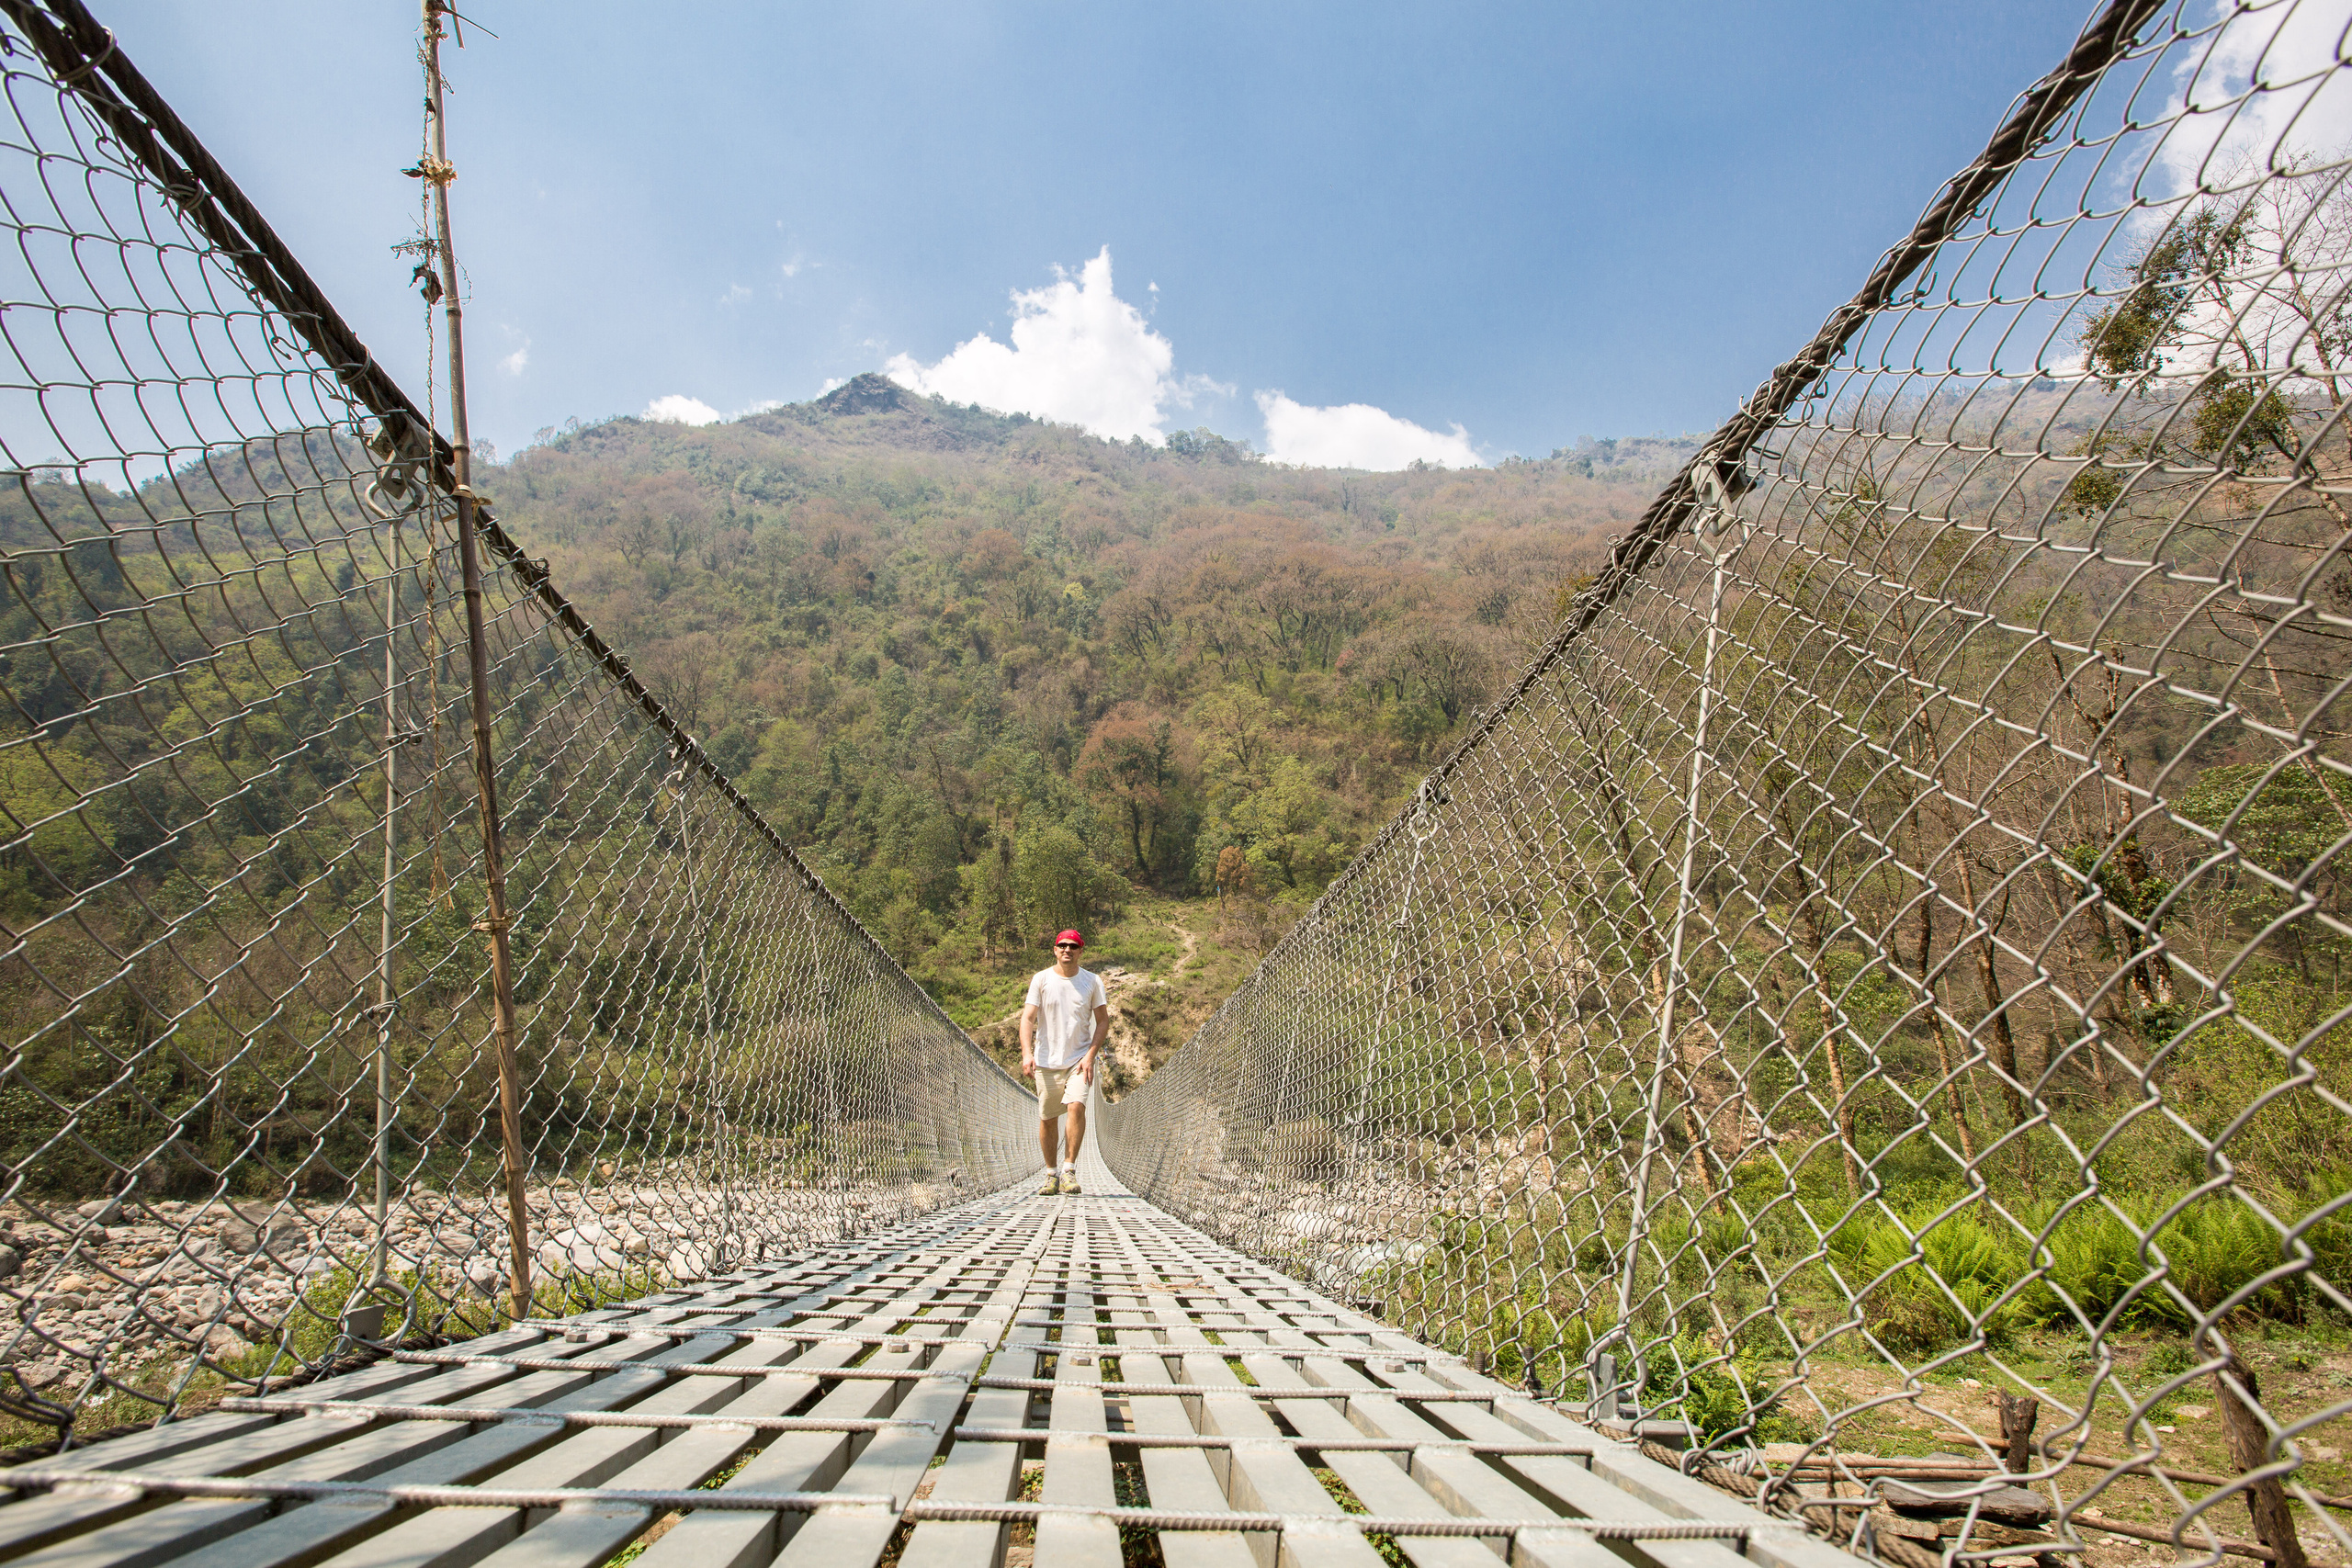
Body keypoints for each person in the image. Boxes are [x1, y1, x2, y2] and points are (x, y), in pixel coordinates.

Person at [1020, 929, 1109, 1195]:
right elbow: (1027, 1018)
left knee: (1076, 1107)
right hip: (1047, 1062)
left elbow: (1103, 1020)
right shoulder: (1041, 979)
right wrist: (1027, 1054)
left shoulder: (1092, 981)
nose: (1067, 950)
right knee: (1047, 1119)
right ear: (1055, 950)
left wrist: (1090, 1056)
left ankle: (1069, 1170)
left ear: (1081, 951)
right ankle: (1051, 1174)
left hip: (1078, 1061)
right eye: (1062, 946)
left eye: (1073, 946)